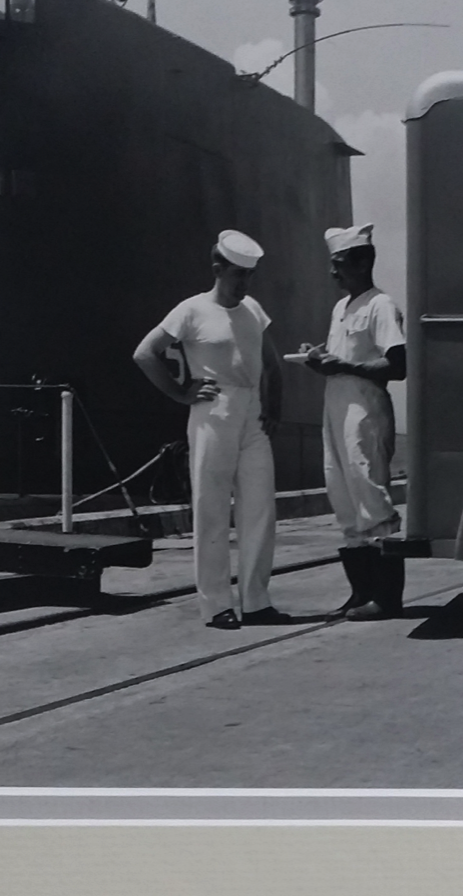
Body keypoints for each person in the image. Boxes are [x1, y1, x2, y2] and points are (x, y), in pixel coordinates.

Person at [133, 230, 289, 630]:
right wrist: (181, 394)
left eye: (248, 276)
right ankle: (216, 604)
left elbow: (271, 364)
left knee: (260, 509)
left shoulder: (253, 309)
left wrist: (273, 407)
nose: (244, 284)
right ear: (218, 269)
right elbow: (145, 354)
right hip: (213, 411)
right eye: (238, 275)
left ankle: (256, 601)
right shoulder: (191, 310)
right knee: (212, 509)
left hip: (252, 413)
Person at [302, 223, 407, 620]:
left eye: (340, 263)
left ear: (362, 263)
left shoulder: (380, 305)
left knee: (370, 496)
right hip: (336, 410)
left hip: (365, 413)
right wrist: (319, 360)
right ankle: (360, 593)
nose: (333, 272)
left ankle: (387, 597)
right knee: (343, 498)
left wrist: (345, 365)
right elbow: (338, 360)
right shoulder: (341, 308)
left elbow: (397, 364)